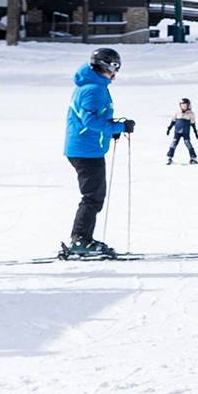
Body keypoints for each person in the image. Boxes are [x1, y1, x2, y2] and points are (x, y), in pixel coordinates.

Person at [62, 46, 133, 258]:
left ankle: (82, 238)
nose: (115, 73)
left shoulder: (93, 85)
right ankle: (80, 240)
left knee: (94, 196)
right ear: (104, 66)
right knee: (92, 197)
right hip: (85, 151)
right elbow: (90, 121)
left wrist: (112, 127)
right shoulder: (93, 88)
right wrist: (118, 127)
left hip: (87, 148)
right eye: (114, 67)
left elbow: (95, 118)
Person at [165, 98, 198, 165]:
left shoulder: (191, 114)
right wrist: (169, 128)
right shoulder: (177, 112)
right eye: (182, 105)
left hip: (185, 132)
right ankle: (169, 158)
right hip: (177, 131)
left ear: (188, 106)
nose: (183, 106)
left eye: (185, 105)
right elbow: (173, 121)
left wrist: (195, 132)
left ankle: (193, 158)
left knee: (188, 144)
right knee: (173, 144)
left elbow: (193, 124)